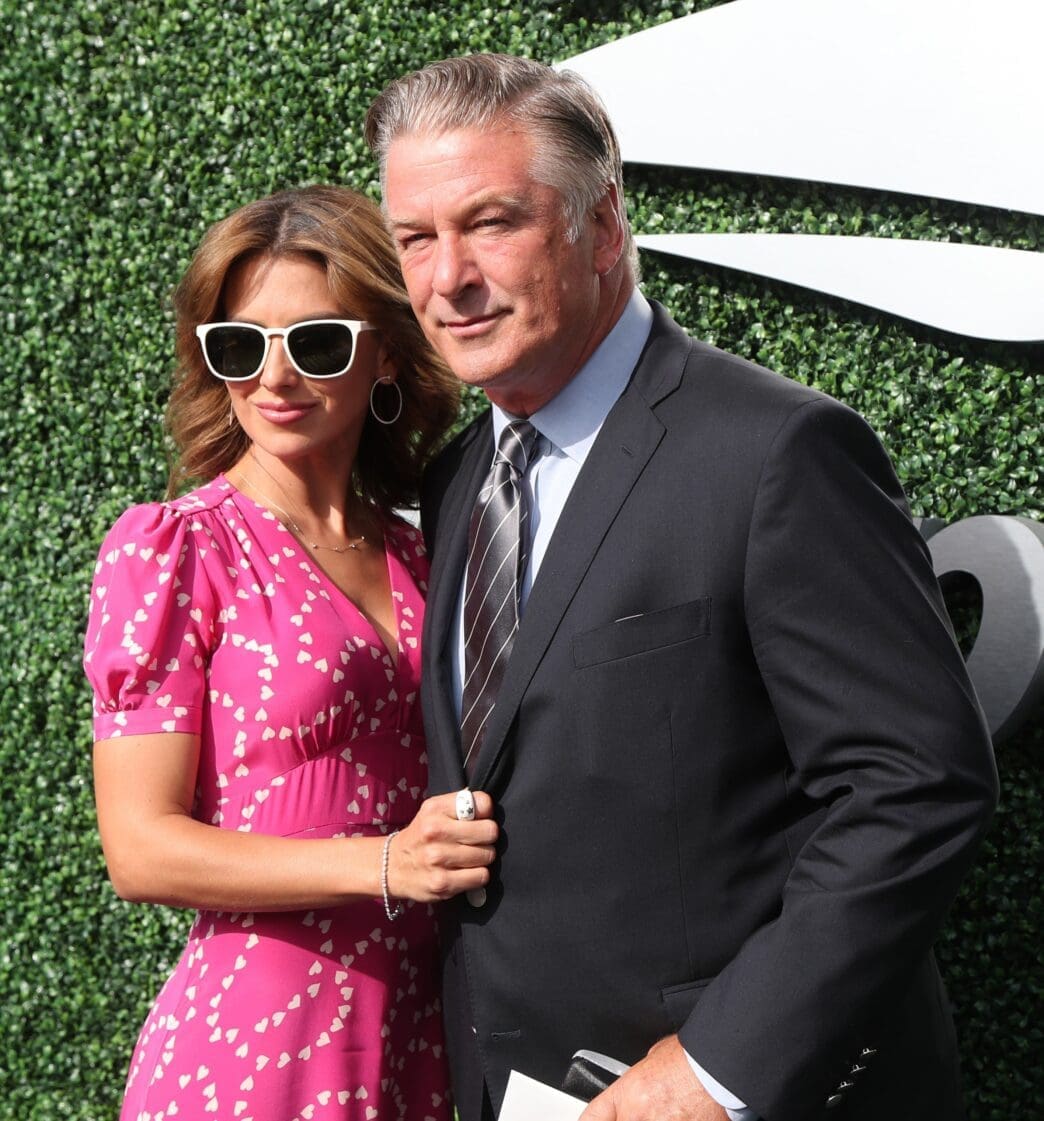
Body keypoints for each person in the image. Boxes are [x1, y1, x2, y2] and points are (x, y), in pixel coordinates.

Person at [363, 54, 999, 1121]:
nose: (448, 277)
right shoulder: (459, 477)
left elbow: (917, 783)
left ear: (604, 224)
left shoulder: (779, 451)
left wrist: (716, 1068)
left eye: (491, 223)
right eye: (416, 238)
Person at [83, 185, 499, 1121]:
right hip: (254, 1047)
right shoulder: (177, 549)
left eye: (316, 343)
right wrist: (385, 864)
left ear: (384, 353)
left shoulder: (429, 550)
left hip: (425, 1031)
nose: (274, 377)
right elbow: (139, 849)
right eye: (240, 346)